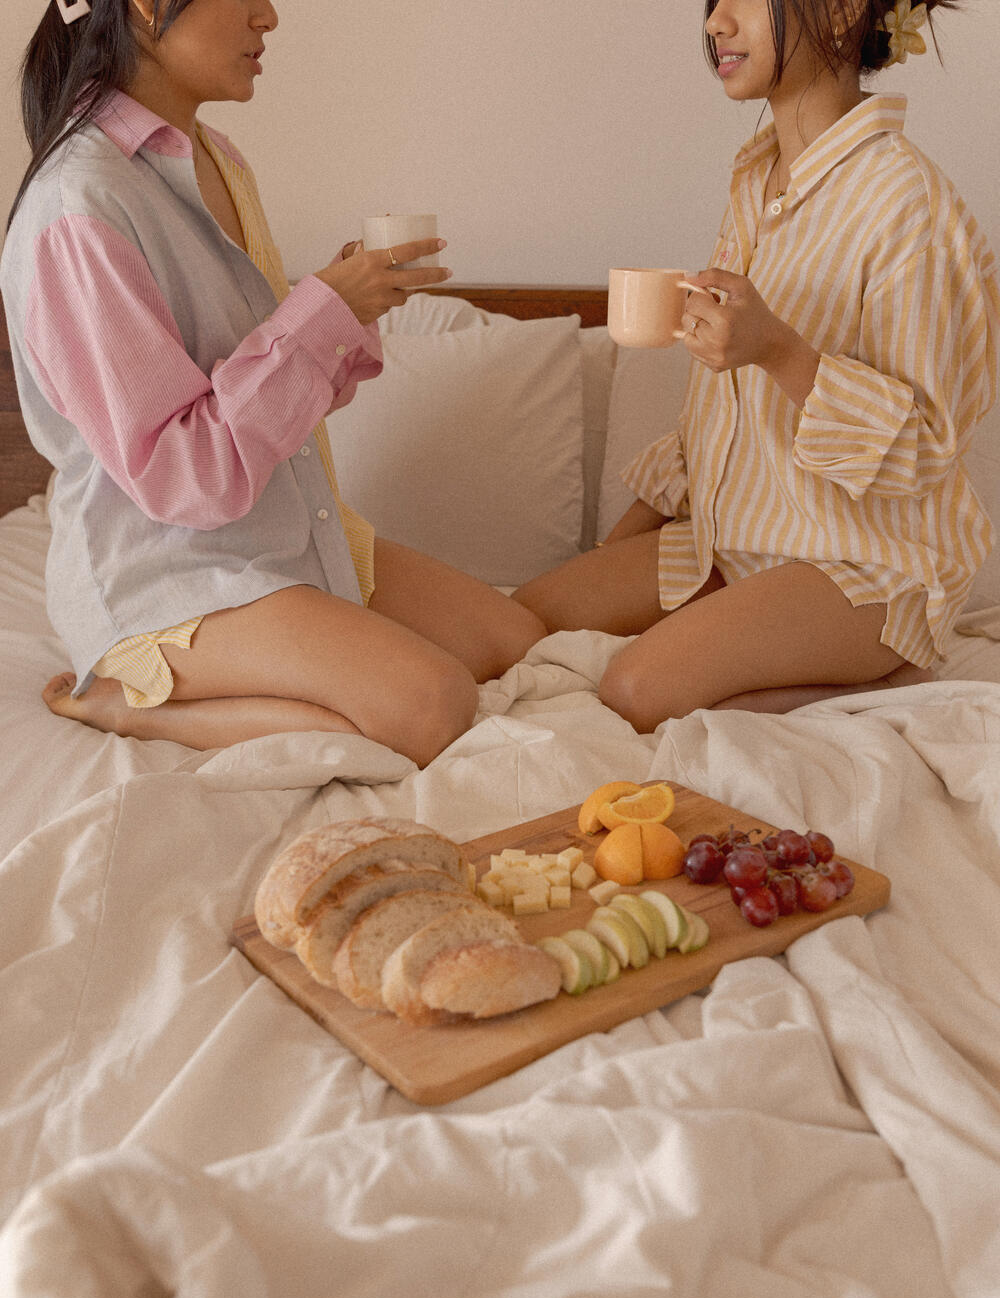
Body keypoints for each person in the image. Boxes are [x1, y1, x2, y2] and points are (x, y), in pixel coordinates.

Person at [1, 0, 545, 768]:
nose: (270, 17)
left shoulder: (216, 159)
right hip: (167, 572)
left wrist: (342, 308)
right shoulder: (80, 206)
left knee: (515, 643)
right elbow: (188, 478)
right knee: (435, 705)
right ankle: (128, 707)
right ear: (150, 10)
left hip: (282, 529)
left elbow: (257, 397)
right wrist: (322, 318)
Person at [514, 0, 999, 729]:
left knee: (635, 691)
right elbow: (720, 419)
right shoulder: (758, 178)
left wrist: (780, 352)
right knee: (525, 623)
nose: (715, 23)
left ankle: (895, 678)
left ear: (839, 14)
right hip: (733, 541)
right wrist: (614, 552)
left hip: (864, 564)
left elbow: (927, 447)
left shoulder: (909, 206)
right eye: (713, 3)